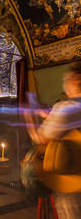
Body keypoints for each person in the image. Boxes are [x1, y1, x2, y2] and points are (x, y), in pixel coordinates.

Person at [25, 62, 81, 218]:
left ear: (75, 79)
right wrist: (50, 116)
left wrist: (29, 120)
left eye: (65, 80)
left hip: (73, 179)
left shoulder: (65, 107)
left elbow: (41, 139)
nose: (64, 85)